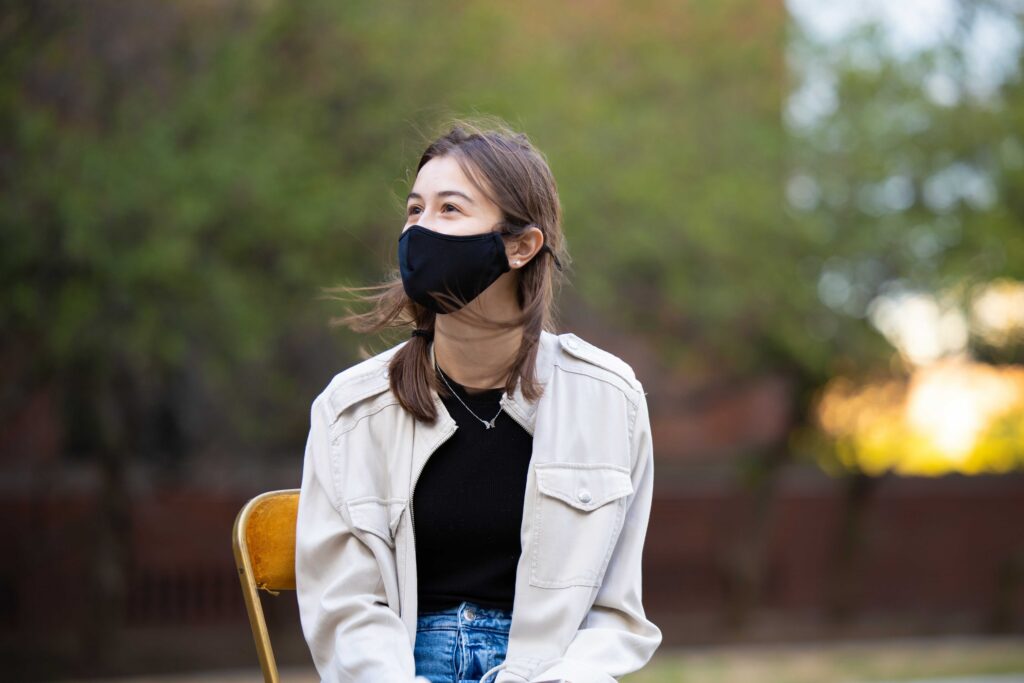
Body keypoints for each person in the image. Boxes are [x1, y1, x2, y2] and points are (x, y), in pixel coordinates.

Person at [294, 118, 662, 683]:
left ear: (520, 246)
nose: (420, 230)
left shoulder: (609, 400)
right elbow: (345, 613)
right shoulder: (350, 411)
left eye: (450, 209)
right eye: (414, 210)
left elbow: (614, 614)